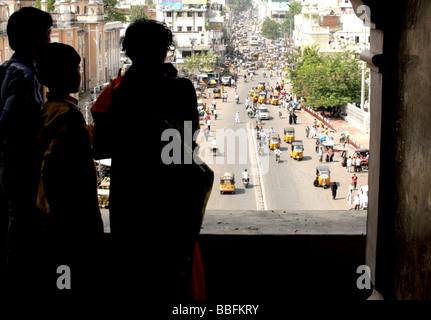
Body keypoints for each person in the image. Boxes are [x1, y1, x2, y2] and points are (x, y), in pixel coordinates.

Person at [91, 19, 214, 299]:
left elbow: (100, 150)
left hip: (130, 199)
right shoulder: (181, 89)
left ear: (129, 52)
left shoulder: (114, 93)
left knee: (134, 277)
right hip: (172, 199)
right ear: (165, 51)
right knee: (173, 276)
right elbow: (189, 144)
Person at [35, 43, 104, 292]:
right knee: (69, 279)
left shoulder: (51, 109)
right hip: (70, 221)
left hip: (57, 217)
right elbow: (56, 168)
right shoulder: (67, 115)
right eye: (76, 69)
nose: (79, 74)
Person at [0, 7, 53, 293]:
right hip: (21, 163)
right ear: (35, 41)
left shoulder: (8, 69)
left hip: (13, 161)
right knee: (24, 225)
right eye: (46, 36)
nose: (48, 43)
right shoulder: (24, 76)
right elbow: (10, 120)